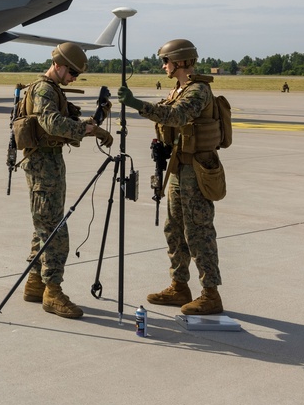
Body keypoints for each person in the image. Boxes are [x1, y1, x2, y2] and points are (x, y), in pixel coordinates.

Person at [118, 39, 225, 315]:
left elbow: (175, 116)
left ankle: (210, 294)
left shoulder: (198, 90)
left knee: (198, 232)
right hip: (179, 168)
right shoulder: (178, 89)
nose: (164, 66)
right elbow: (166, 113)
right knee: (174, 229)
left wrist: (135, 104)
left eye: (166, 61)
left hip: (197, 171)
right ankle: (180, 286)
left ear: (180, 62)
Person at [20, 42, 113, 319]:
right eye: (71, 72)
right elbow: (51, 123)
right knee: (55, 232)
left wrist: (95, 122)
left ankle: (35, 284)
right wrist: (87, 130)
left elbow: (66, 120)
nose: (73, 78)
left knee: (44, 227)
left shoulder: (53, 90)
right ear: (58, 66)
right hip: (42, 168)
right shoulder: (44, 89)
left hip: (49, 165)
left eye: (77, 75)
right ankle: (53, 292)